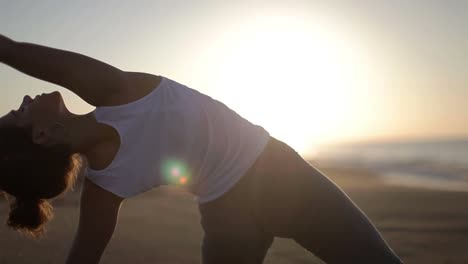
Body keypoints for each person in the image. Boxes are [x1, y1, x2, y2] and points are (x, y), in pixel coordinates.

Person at [0, 34, 403, 264]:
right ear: (42, 137)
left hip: (229, 211)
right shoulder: (109, 91)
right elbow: (12, 51)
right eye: (17, 115)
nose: (22, 103)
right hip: (275, 182)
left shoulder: (103, 189)